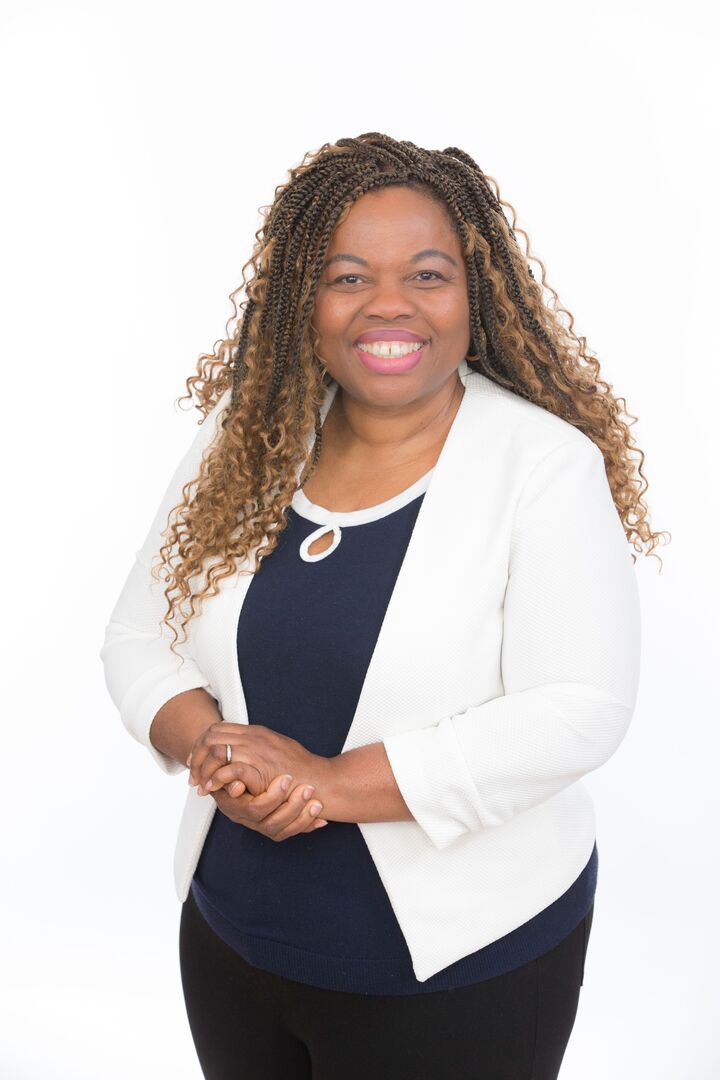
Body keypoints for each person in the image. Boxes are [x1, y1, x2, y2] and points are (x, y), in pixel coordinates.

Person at [100, 133, 665, 1080]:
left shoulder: (543, 467)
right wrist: (215, 751)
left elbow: (579, 709)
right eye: (348, 277)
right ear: (303, 300)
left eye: (427, 275)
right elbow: (136, 634)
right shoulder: (249, 433)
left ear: (476, 294)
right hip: (235, 939)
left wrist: (322, 784)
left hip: (463, 966)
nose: (388, 304)